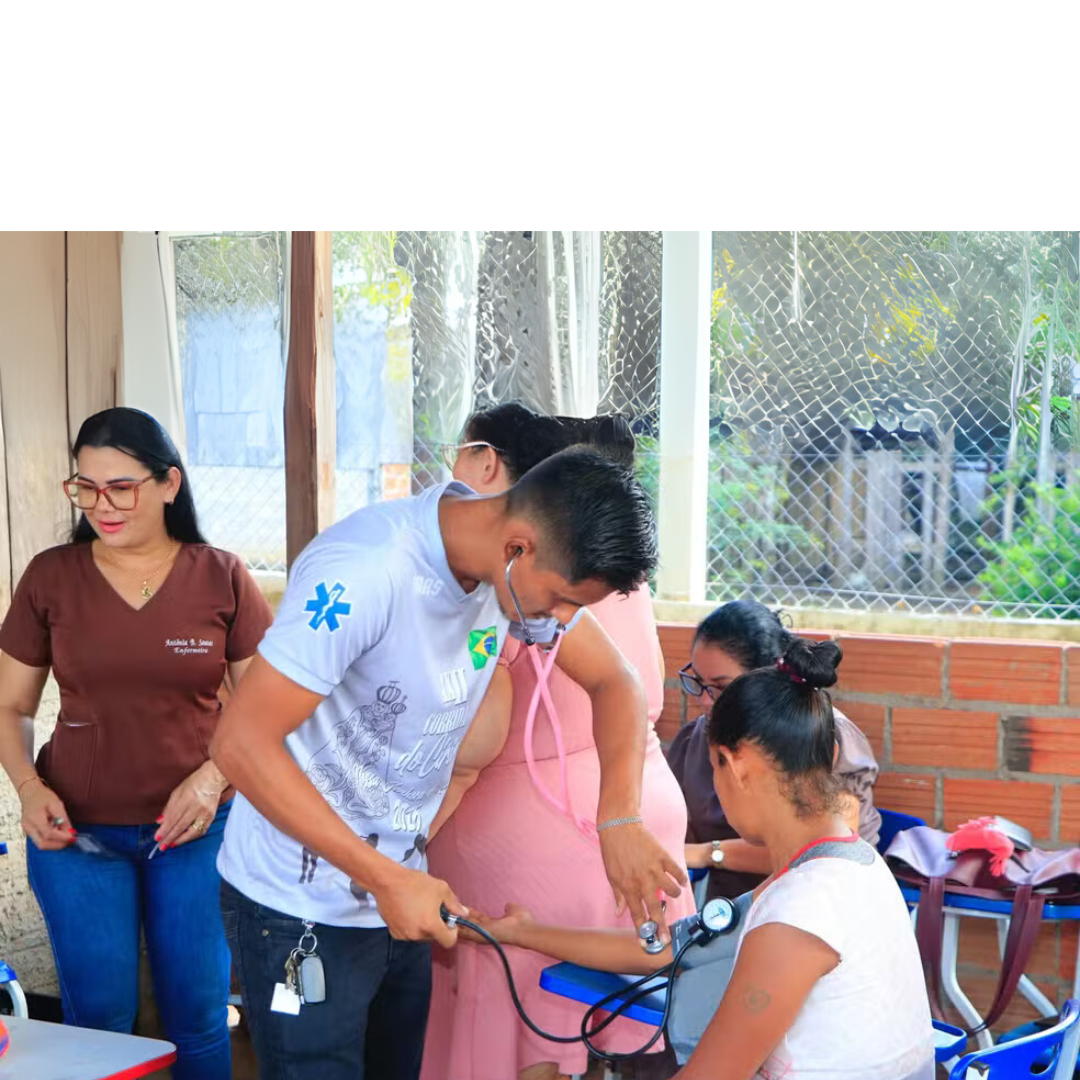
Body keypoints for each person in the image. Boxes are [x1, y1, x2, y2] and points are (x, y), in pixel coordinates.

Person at [211, 444, 686, 1080]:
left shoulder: (505, 570)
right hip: (296, 904)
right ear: (518, 548)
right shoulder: (365, 571)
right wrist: (384, 878)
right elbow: (239, 744)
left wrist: (619, 818)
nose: (563, 622)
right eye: (562, 599)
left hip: (402, 893)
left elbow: (616, 682)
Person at [469, 638, 935, 1079]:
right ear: (829, 754)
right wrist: (524, 932)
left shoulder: (801, 909)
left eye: (714, 766)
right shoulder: (850, 865)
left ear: (735, 765)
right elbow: (677, 947)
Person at [422, 403, 696, 1080]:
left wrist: (410, 838)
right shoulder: (619, 575)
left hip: (534, 840)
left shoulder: (515, 580)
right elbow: (642, 690)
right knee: (600, 1027)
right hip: (642, 817)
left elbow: (477, 742)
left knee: (522, 1032)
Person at [0, 407, 273, 1080]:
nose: (102, 505)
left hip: (199, 833)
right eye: (86, 488)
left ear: (169, 484)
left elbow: (266, 707)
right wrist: (28, 789)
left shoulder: (222, 575)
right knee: (99, 1021)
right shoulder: (51, 576)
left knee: (198, 1016)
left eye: (121, 487)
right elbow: (11, 706)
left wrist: (212, 780)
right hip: (77, 838)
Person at [667, 601, 880, 903]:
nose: (704, 701)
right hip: (733, 905)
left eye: (720, 687)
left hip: (816, 900)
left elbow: (822, 848)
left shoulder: (818, 733)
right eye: (698, 682)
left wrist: (707, 853)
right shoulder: (698, 738)